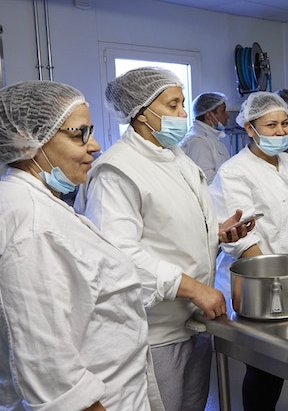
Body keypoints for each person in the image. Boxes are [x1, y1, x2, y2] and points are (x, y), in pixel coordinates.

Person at [75, 67, 250, 411]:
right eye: (173, 105)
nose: (184, 114)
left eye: (183, 104)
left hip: (193, 322)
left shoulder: (177, 159)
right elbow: (118, 254)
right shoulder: (117, 170)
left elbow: (171, 225)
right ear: (141, 113)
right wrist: (192, 287)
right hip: (153, 335)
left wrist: (215, 231)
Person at [0, 80, 161, 410]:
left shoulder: (39, 203)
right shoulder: (31, 226)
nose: (95, 145)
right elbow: (52, 374)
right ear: (26, 140)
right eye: (79, 135)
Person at [208, 92, 288, 411]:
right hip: (257, 286)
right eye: (271, 125)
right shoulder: (234, 172)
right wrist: (275, 282)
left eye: (285, 124)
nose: (281, 132)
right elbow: (241, 240)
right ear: (250, 128)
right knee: (265, 370)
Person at [180, 91, 231, 182]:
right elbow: (206, 182)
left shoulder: (209, 138)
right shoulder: (198, 142)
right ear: (209, 115)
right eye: (223, 111)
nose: (227, 115)